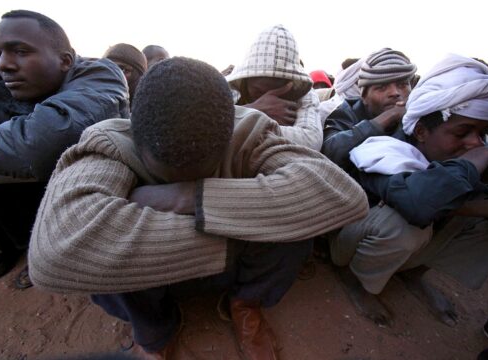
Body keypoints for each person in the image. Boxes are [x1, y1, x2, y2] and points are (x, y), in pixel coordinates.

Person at [28, 57, 369, 359]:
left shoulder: (248, 130)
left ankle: (245, 304)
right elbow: (55, 251)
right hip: (158, 274)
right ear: (134, 133)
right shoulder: (109, 141)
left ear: (228, 135)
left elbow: (342, 194)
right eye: (167, 174)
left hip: (225, 267)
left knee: (298, 228)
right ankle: (155, 331)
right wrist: (243, 233)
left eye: (201, 170)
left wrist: (188, 197)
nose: (183, 179)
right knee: (95, 258)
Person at [329, 54, 488, 328]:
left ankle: (413, 272)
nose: (476, 143)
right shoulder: (383, 148)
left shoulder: (475, 146)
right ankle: (359, 281)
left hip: (414, 231)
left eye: (482, 133)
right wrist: (472, 167)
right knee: (405, 222)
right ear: (423, 132)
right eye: (464, 132)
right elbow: (417, 203)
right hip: (349, 239)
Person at [0, 9, 129, 289]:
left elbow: (37, 146)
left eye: (20, 51)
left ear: (65, 60)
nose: (3, 64)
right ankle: (9, 251)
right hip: (21, 184)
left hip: (78, 188)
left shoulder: (100, 74)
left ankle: (53, 254)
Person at [225, 25, 323, 151]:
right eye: (258, 92)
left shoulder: (304, 95)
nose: (267, 100)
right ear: (245, 81)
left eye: (276, 92)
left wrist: (240, 125)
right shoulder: (230, 91)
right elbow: (206, 124)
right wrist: (253, 111)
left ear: (289, 83)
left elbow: (311, 141)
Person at [321, 48, 417, 173]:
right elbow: (330, 152)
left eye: (402, 85)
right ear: (364, 96)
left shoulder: (420, 114)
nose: (394, 93)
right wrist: (389, 116)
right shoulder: (347, 112)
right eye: (382, 87)